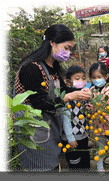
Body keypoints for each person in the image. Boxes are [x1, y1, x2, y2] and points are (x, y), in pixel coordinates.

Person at [13, 24, 91, 173]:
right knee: (42, 167)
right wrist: (69, 96)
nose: (68, 53)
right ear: (52, 42)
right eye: (66, 48)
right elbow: (40, 102)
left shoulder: (53, 67)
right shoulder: (31, 68)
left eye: (70, 49)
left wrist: (80, 91)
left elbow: (61, 93)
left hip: (49, 127)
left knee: (53, 165)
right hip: (33, 129)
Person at [60, 65, 92, 174]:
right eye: (77, 79)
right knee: (74, 162)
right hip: (71, 138)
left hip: (83, 135)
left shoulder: (83, 96)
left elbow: (86, 116)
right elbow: (66, 120)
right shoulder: (68, 98)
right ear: (68, 82)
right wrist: (70, 138)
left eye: (83, 78)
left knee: (85, 159)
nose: (81, 81)